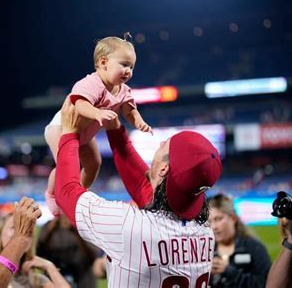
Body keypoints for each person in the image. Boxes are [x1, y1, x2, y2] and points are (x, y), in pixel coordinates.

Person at [54, 98, 223, 287]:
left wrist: (69, 134)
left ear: (164, 169)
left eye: (166, 144)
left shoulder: (129, 225)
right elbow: (146, 188)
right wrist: (114, 129)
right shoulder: (204, 232)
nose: (160, 143)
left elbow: (66, 191)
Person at [44, 33, 152, 216]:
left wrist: (139, 122)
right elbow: (79, 103)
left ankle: (78, 193)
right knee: (65, 165)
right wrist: (98, 113)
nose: (128, 71)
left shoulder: (123, 89)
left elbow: (130, 110)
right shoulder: (92, 83)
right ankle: (52, 194)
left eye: (132, 67)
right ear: (103, 62)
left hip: (83, 133)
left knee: (94, 163)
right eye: (124, 65)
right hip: (61, 129)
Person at [0, 213, 70, 288]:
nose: (23, 234)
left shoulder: (34, 280)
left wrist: (49, 266)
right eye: (14, 228)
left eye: (28, 231)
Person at [207, 193, 271, 287]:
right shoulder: (207, 251)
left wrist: (229, 271)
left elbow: (267, 284)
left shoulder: (254, 247)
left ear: (233, 218)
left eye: (218, 219)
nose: (213, 227)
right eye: (209, 222)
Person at [36, 215, 99, 287]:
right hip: (55, 277)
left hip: (82, 278)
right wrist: (50, 231)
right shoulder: (49, 226)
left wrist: (75, 231)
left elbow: (93, 256)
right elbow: (39, 253)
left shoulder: (83, 226)